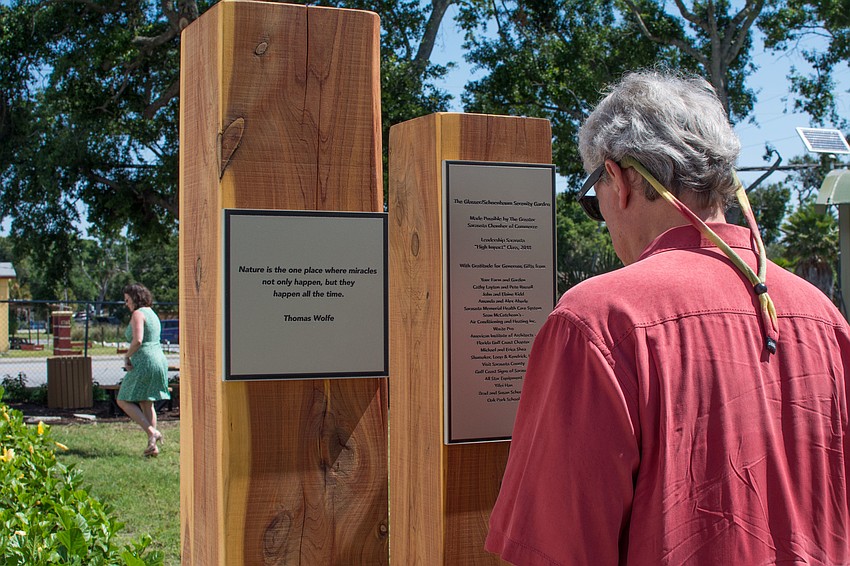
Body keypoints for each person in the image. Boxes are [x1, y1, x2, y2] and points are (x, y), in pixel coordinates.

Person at [485, 70, 850, 565]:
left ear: (617, 178)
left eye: (595, 203)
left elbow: (556, 551)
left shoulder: (597, 322)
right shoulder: (825, 318)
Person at [117, 283, 170, 458]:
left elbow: (138, 340)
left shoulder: (138, 314)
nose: (126, 304)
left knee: (123, 399)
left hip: (144, 361)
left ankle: (151, 432)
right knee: (147, 402)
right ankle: (152, 446)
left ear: (135, 298)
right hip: (159, 360)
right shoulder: (152, 314)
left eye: (127, 300)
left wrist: (126, 356)